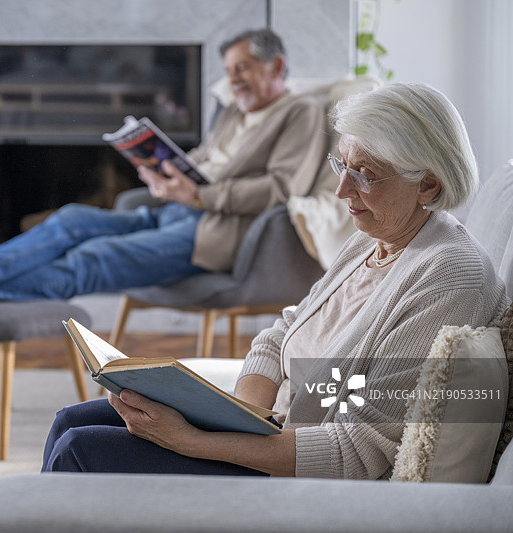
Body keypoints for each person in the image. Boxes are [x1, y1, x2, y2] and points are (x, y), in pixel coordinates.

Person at [41, 82, 510, 479]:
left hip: (298, 474)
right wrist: (240, 416)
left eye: (365, 175)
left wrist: (195, 441)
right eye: (342, 165)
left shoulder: (449, 275)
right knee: (70, 421)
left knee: (80, 450)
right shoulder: (374, 238)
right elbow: (281, 332)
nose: (343, 191)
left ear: (428, 185)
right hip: (266, 433)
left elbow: (354, 451)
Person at [0, 28, 327, 316]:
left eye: (245, 68)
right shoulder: (236, 111)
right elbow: (206, 156)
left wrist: (200, 197)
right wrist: (162, 171)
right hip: (174, 209)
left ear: (276, 67)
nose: (234, 79)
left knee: (93, 258)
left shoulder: (300, 114)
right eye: (230, 70)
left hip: (215, 232)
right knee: (73, 218)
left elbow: (282, 189)